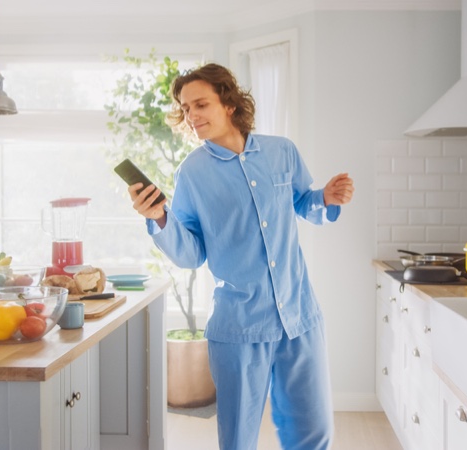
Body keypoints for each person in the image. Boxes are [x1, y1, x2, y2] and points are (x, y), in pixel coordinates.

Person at [127, 63, 354, 450]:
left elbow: (302, 201)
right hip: (239, 326)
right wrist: (159, 218)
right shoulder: (193, 173)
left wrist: (326, 198)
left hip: (299, 316)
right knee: (237, 441)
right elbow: (191, 252)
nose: (192, 116)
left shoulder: (282, 152)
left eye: (200, 104)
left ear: (229, 104)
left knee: (313, 435)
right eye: (185, 109)